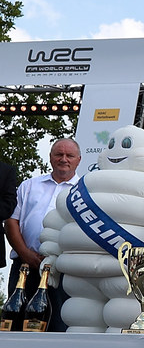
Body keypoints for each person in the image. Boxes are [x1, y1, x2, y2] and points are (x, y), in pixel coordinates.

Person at [4, 139, 80, 331]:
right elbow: (11, 221)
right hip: (25, 267)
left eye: (69, 155)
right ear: (50, 157)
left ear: (78, 160)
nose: (63, 159)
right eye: (58, 154)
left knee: (59, 326)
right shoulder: (29, 186)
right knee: (15, 324)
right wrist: (24, 252)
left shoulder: (84, 192)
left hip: (63, 270)